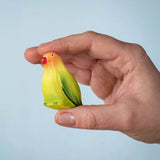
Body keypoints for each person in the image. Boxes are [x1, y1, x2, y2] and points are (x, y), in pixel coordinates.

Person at [24, 31, 160, 143]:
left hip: (67, 101)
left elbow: (66, 89)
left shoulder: (62, 74)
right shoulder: (49, 72)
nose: (46, 59)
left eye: (51, 55)